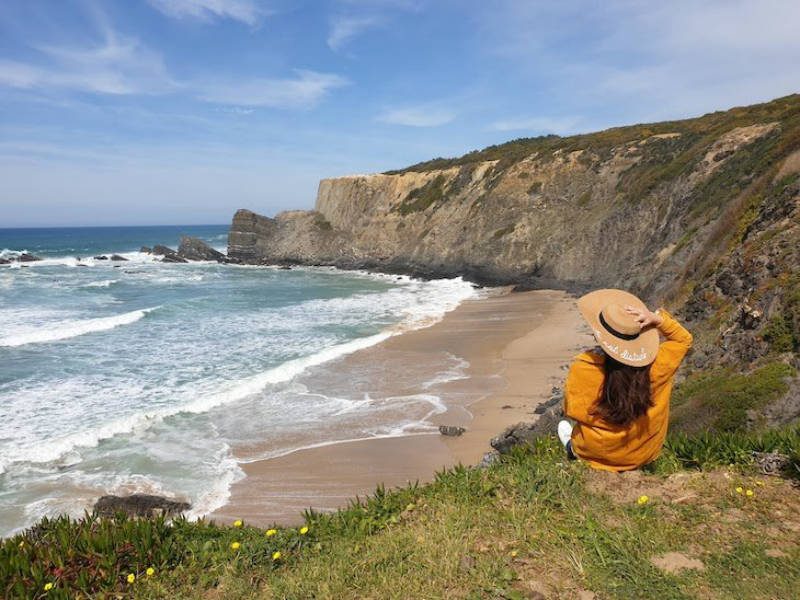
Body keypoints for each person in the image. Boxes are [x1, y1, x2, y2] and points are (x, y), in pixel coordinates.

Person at [557, 289, 693, 472]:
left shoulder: (584, 368)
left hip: (596, 453)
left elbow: (572, 411)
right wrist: (658, 319)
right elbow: (683, 340)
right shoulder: (660, 365)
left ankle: (571, 449)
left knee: (574, 430)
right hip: (643, 454)